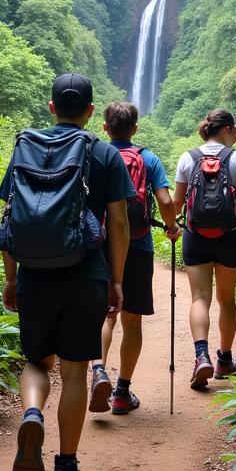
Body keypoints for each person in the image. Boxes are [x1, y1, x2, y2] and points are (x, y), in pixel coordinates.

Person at [0, 73, 133, 471]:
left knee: (38, 361)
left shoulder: (27, 146)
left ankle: (32, 413)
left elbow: (10, 215)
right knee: (74, 371)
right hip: (86, 275)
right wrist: (116, 278)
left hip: (35, 274)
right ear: (92, 112)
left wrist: (11, 278)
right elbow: (120, 223)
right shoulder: (105, 153)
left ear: (52, 107)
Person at [89, 101, 179, 415]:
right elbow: (165, 200)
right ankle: (122, 392)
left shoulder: (95, 154)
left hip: (98, 247)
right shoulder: (148, 158)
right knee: (132, 320)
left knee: (105, 315)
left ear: (105, 127)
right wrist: (172, 226)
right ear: (135, 128)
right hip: (138, 247)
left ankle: (98, 370)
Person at [173, 109, 236, 390]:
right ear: (226, 130)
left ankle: (200, 356)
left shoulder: (188, 157)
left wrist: (173, 227)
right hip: (230, 237)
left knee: (199, 298)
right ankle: (225, 359)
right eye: (235, 132)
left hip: (195, 236)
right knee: (227, 300)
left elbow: (178, 202)